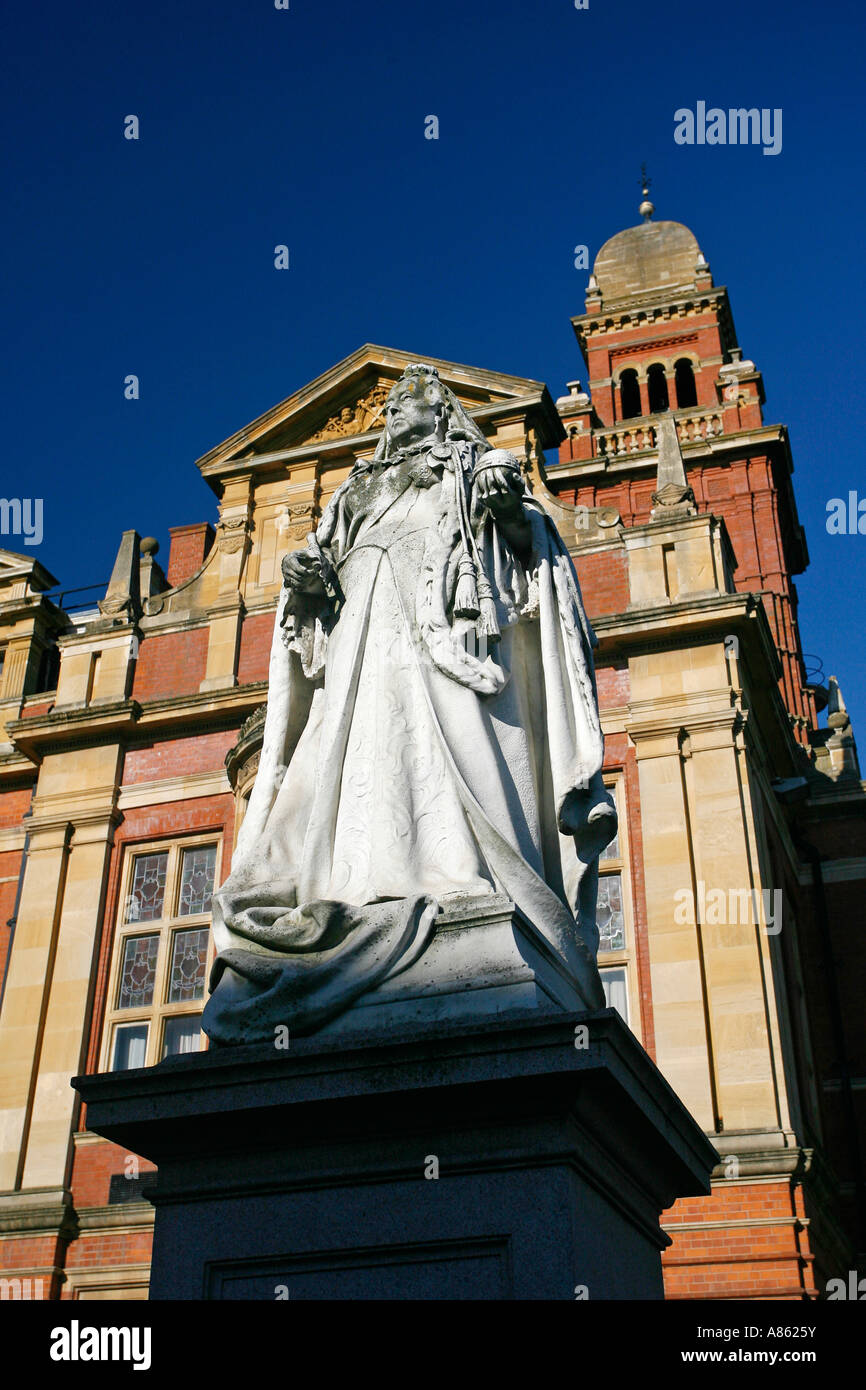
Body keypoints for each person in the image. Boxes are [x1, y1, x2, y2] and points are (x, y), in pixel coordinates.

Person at [202, 363, 616, 1042]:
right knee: (365, 762)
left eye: (407, 400)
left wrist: (504, 504)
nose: (393, 410)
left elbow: (527, 542)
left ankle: (468, 880)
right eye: (389, 404)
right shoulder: (356, 491)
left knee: (450, 758)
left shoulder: (473, 464)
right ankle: (362, 891)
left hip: (452, 644)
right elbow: (314, 605)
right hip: (364, 648)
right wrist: (307, 587)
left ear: (443, 408)